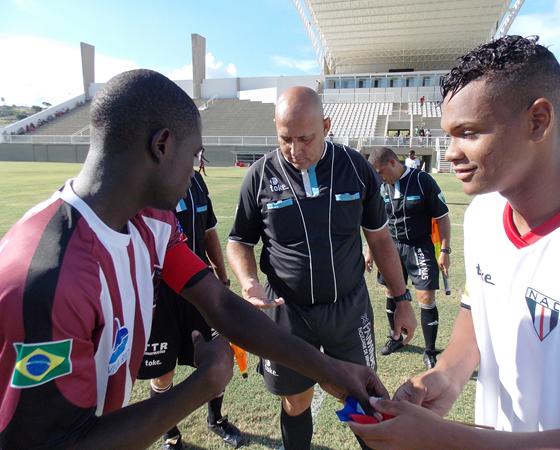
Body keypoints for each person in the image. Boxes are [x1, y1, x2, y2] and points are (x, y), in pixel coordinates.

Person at [0, 70, 388, 449]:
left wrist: (332, 371)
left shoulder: (153, 222)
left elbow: (220, 304)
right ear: (162, 145)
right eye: (194, 154)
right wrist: (204, 384)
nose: (196, 170)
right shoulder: (42, 277)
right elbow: (56, 441)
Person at [349, 35, 560, 448]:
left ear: (538, 121)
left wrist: (447, 439)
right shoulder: (483, 214)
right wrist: (446, 376)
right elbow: (477, 316)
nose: (450, 153)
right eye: (449, 135)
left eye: (468, 133)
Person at [227, 86, 416, 450]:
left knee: (365, 397)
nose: (295, 150)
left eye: (305, 139)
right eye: (285, 139)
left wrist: (401, 298)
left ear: (326, 126)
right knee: (295, 400)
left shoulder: (355, 168)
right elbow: (239, 241)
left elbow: (379, 239)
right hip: (288, 314)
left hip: (348, 309)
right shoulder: (259, 175)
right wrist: (249, 282)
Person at [137, 163, 243, 449]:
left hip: (200, 290)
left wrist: (222, 278)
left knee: (217, 360)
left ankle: (216, 420)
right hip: (159, 299)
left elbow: (209, 233)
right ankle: (170, 435)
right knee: (163, 374)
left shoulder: (195, 180)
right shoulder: (143, 181)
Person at [364, 147, 450, 369]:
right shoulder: (381, 186)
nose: (380, 178)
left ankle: (429, 351)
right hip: (390, 246)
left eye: (380, 172)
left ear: (393, 163)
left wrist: (445, 251)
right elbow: (376, 221)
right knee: (391, 292)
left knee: (426, 297)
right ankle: (396, 337)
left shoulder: (422, 181)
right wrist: (369, 250)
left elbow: (442, 217)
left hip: (419, 245)